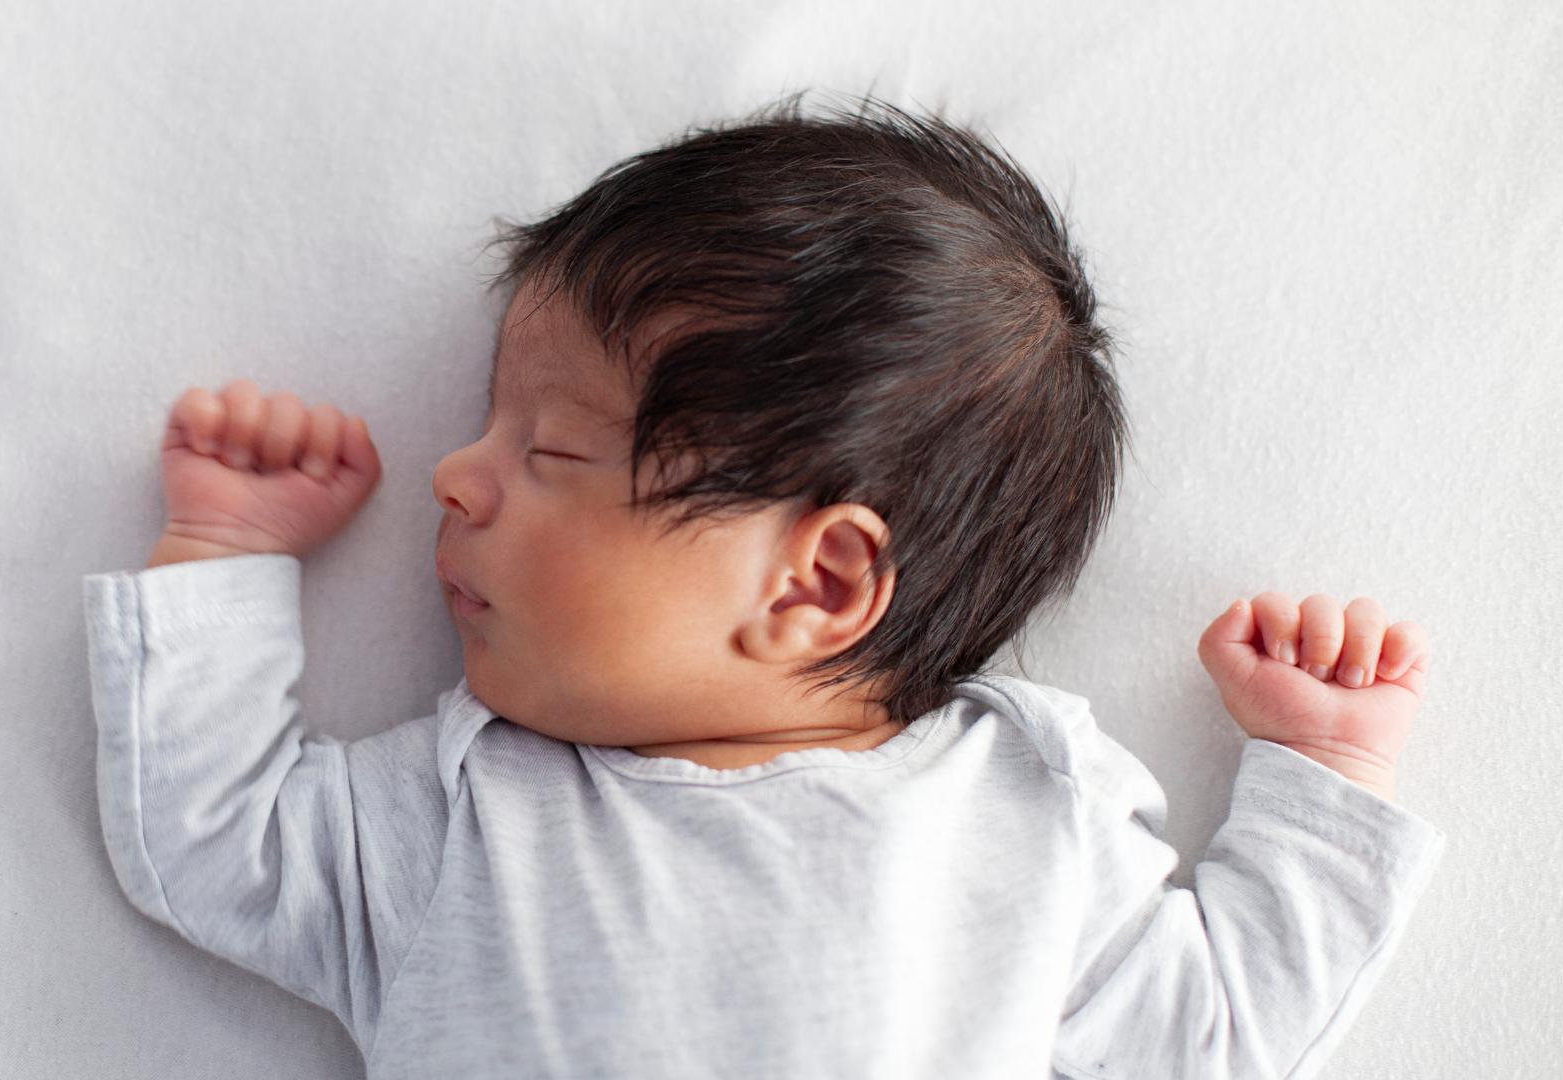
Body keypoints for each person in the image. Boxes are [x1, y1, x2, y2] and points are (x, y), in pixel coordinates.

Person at [82, 90, 1442, 1078]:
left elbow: (1207, 1034)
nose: (453, 476)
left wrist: (1320, 775)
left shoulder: (1022, 813)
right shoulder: (469, 811)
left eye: (547, 447)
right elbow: (219, 840)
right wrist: (222, 556)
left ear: (821, 579)